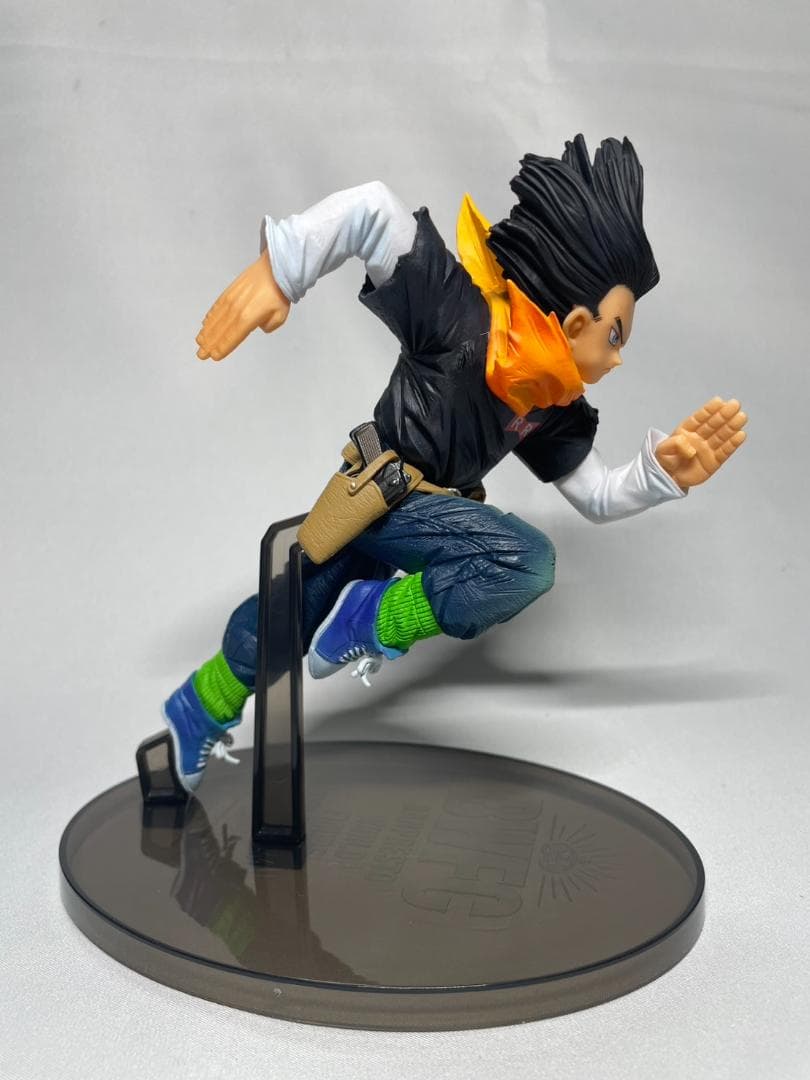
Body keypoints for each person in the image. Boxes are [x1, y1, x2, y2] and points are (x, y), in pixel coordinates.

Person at [163, 135, 747, 793]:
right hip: (381, 492)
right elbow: (372, 211)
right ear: (578, 320)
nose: (618, 357)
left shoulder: (549, 402)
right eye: (615, 334)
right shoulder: (459, 316)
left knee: (294, 611)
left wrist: (661, 474)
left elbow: (597, 495)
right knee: (517, 563)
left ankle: (202, 702)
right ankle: (360, 623)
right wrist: (280, 270)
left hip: (421, 517)